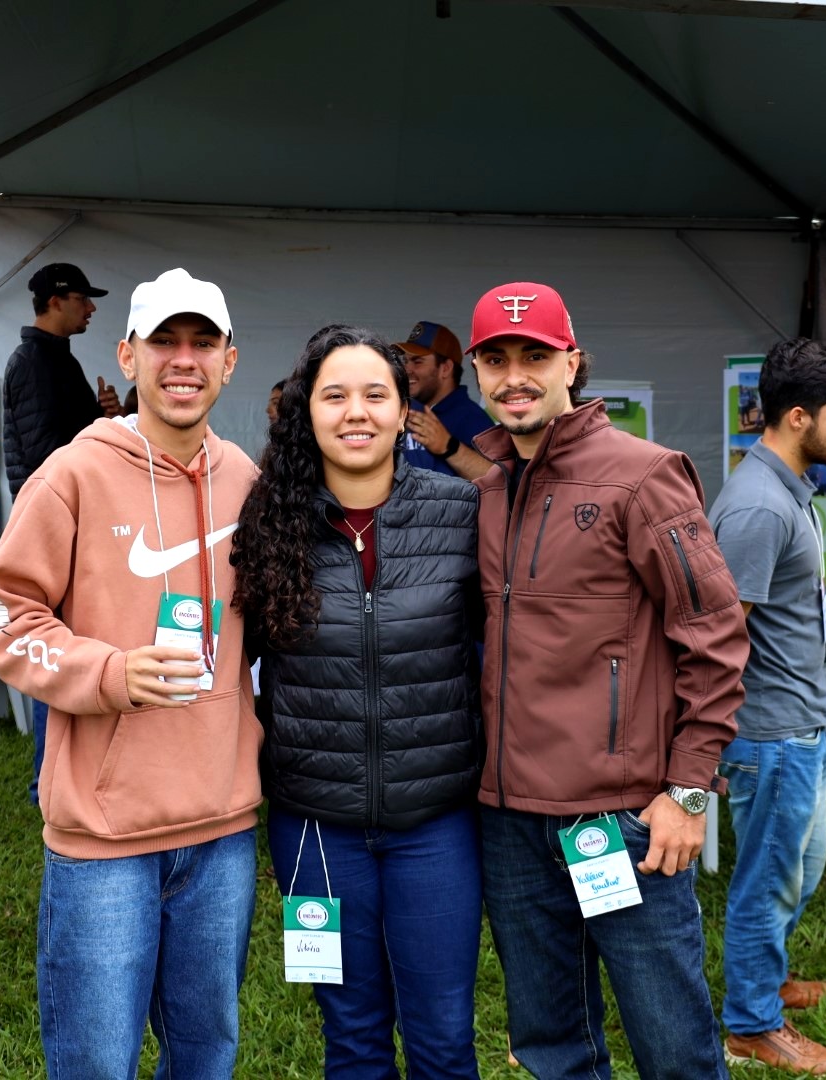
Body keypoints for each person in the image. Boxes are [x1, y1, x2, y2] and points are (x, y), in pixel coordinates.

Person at [0, 269, 261, 1078]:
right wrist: (106, 672)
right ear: (128, 356)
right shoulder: (73, 473)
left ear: (229, 362)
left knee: (206, 1056)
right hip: (103, 841)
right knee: (97, 1062)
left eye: (202, 342)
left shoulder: (248, 481)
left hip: (222, 831)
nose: (183, 359)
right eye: (163, 341)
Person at [467, 281, 749, 1080]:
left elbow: (716, 635)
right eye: (496, 359)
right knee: (552, 1043)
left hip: (621, 817)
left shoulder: (643, 476)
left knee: (672, 1044)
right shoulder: (488, 490)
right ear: (477, 374)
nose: (515, 376)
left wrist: (688, 791)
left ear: (572, 363)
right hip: (512, 821)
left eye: (534, 355)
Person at [232, 324, 484, 1079]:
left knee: (443, 1039)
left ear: (405, 409)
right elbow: (229, 661)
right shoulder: (268, 519)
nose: (356, 412)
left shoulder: (461, 513)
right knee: (352, 1039)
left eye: (376, 394)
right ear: (305, 410)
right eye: (334, 395)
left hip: (435, 824)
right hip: (315, 829)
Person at [709, 339, 826, 1075]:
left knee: (803, 863)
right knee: (767, 882)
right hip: (770, 731)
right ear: (798, 417)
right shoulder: (759, 508)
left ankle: (762, 977)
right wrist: (707, 741)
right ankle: (751, 1025)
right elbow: (716, 636)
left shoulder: (784, 489)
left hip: (798, 722)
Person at [2, 261, 121, 807]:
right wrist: (100, 428)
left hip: (68, 527)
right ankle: (45, 783)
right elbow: (47, 457)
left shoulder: (55, 359)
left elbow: (67, 441)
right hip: (58, 531)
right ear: (55, 300)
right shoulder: (34, 363)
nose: (91, 308)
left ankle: (60, 776)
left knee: (69, 649)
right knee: (55, 654)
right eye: (82, 299)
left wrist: (108, 417)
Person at [394, 320, 496, 480]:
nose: (407, 370)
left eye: (417, 361)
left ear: (445, 369)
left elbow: (500, 482)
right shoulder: (405, 411)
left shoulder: (471, 418)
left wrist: (448, 446)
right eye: (405, 361)